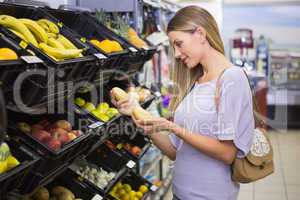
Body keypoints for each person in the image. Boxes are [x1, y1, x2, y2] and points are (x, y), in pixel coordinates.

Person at [111, 6, 254, 200]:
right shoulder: (196, 82)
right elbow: (175, 151)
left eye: (179, 44)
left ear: (200, 34)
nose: (176, 54)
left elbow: (227, 153)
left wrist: (174, 128)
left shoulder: (231, 78)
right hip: (180, 194)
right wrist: (141, 117)